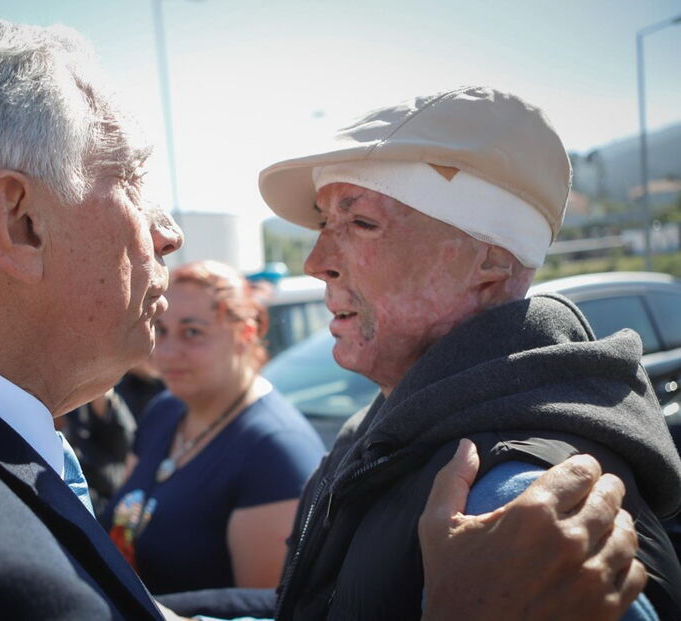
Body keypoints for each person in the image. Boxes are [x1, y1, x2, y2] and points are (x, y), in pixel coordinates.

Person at [0, 21, 652, 620]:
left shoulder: (532, 507)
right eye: (134, 182)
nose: (169, 230)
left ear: (493, 260)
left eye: (360, 221)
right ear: (19, 222)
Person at [256, 86, 681, 619]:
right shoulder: (382, 429)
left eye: (361, 223)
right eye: (324, 223)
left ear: (491, 265)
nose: (316, 261)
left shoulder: (519, 500)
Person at [101, 260, 324, 593]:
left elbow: (263, 609)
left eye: (193, 332)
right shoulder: (165, 411)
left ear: (244, 335)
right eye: (160, 330)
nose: (167, 352)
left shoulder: (277, 451)